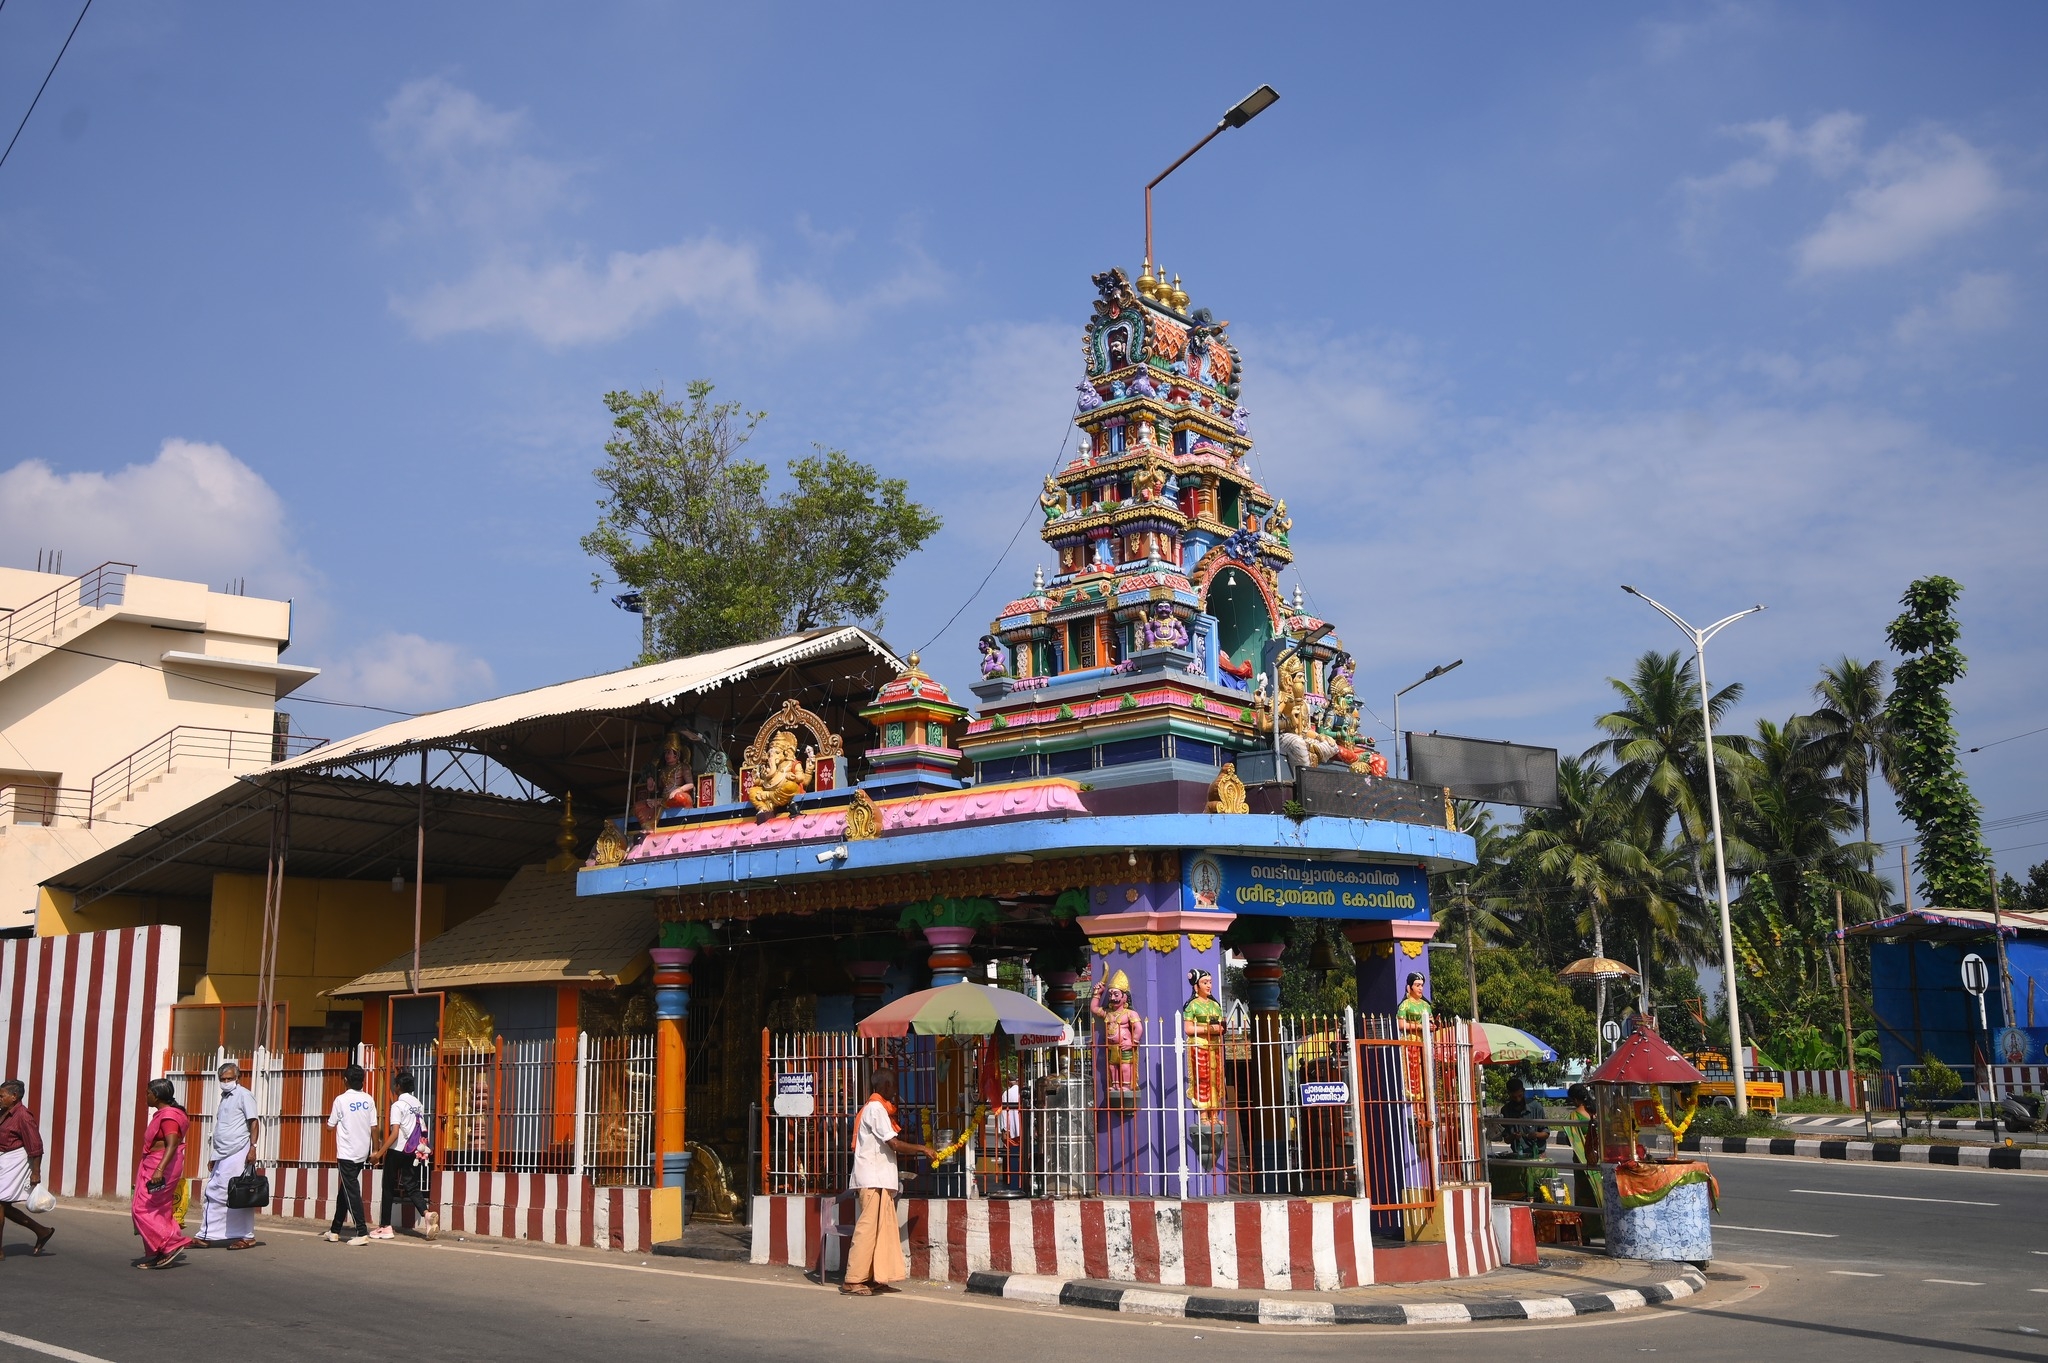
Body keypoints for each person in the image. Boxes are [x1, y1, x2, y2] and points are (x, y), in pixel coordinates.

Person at [841, 1070, 932, 1297]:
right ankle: (853, 1279)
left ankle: (876, 1278)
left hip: (879, 1179)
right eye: (894, 1086)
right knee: (868, 1230)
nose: (896, 1092)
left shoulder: (877, 1109)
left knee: (882, 1231)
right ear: (887, 1085)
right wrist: (922, 1148)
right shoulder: (876, 1109)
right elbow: (894, 1144)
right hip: (872, 1179)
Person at [198, 1061, 261, 1250]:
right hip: (222, 1153)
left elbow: (254, 1122)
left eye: (229, 1079)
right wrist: (214, 1155)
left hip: (238, 1150)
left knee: (235, 1193)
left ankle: (246, 1236)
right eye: (223, 1079)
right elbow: (222, 1128)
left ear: (237, 1078)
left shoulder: (244, 1095)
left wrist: (253, 1148)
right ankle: (208, 1234)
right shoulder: (225, 1097)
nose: (226, 1082)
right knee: (221, 1193)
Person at [132, 1078, 195, 1269]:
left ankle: (169, 1244)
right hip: (154, 1163)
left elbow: (172, 1143)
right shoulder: (164, 1114)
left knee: (143, 1209)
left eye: (147, 1093)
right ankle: (158, 1250)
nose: (146, 1096)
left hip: (162, 1165)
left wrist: (159, 1169)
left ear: (157, 1095)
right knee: (158, 1209)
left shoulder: (168, 1116)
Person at [374, 1070, 437, 1240]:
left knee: (388, 1186)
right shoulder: (418, 1103)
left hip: (396, 1150)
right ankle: (426, 1213)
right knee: (410, 1184)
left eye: (395, 1084)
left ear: (399, 1086)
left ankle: (385, 1227)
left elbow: (395, 1133)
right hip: (412, 1150)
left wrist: (379, 1153)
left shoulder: (397, 1105)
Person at [0, 1078, 54, 1259]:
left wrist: (36, 1172)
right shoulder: (4, 1112)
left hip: (15, 1162)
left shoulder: (23, 1115)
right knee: (4, 1207)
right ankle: (42, 1231)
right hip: (3, 1160)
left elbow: (36, 1145)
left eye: (2, 1096)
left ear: (14, 1096)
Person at [323, 1064, 375, 1245]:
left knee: (351, 1191)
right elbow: (374, 1126)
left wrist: (331, 1124)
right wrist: (374, 1149)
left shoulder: (340, 1100)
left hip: (346, 1153)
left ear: (345, 1080)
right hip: (362, 1152)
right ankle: (335, 1230)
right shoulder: (369, 1099)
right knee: (345, 1190)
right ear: (363, 1081)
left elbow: (330, 1127)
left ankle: (361, 1231)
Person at [1499, 1077, 1548, 1196]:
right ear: (1509, 1094)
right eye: (1514, 1097)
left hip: (1537, 1156)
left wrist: (1536, 1135)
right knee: (1519, 1192)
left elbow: (1546, 1133)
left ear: (1524, 1091)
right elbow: (1506, 1139)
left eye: (1520, 1096)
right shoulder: (1506, 1110)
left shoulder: (1536, 1107)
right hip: (1517, 1158)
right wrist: (1513, 1137)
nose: (1517, 1099)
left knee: (1539, 1192)